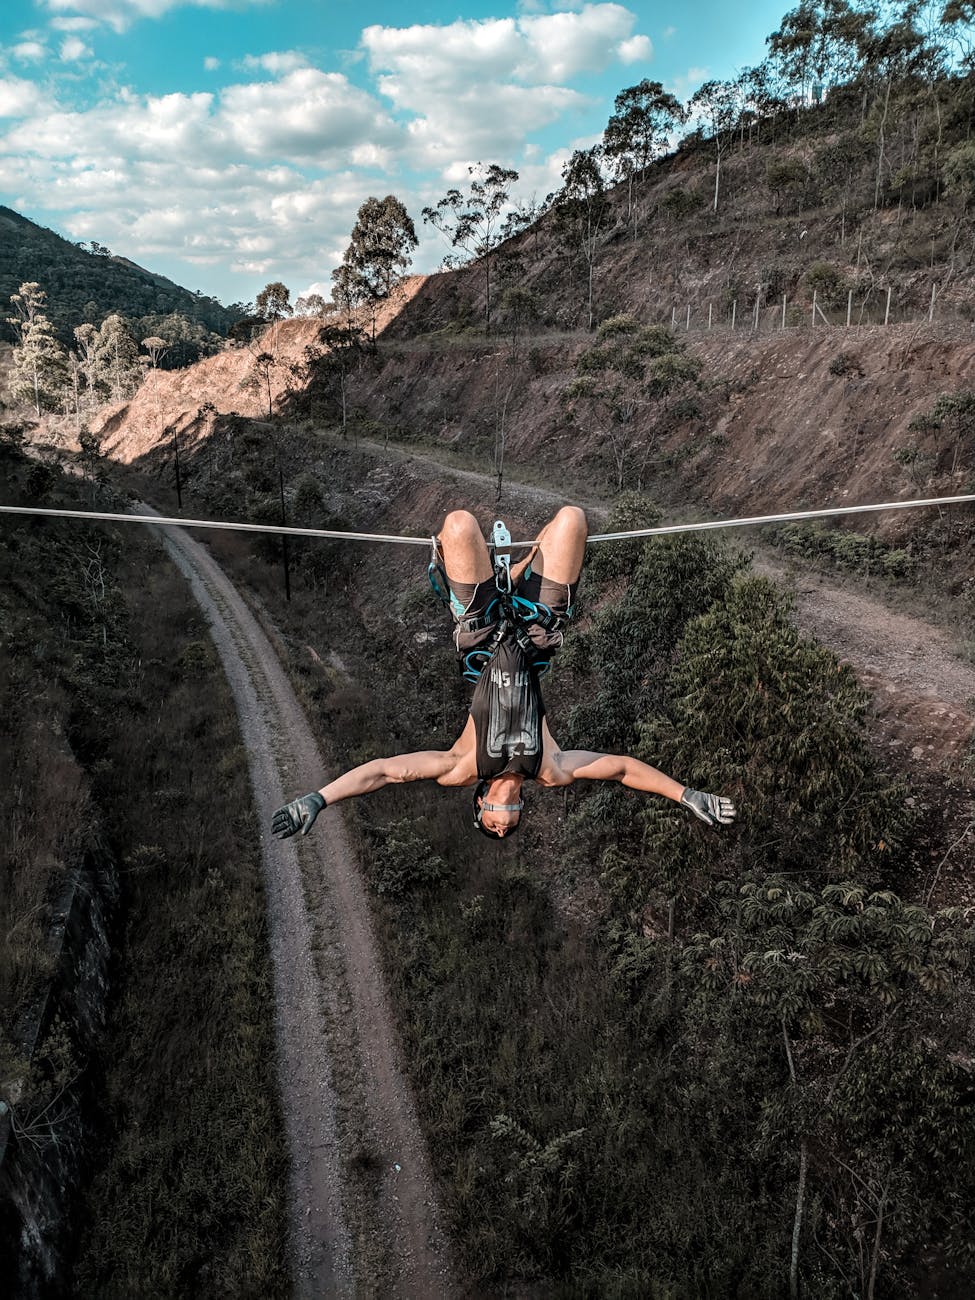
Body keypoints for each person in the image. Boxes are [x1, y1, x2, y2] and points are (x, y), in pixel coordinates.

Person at [271, 506, 736, 841]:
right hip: (536, 631)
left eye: (492, 821)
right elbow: (621, 768)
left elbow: (385, 773)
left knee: (459, 525)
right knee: (573, 519)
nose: (504, 819)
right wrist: (686, 795)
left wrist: (318, 799)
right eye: (508, 824)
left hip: (482, 632)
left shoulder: (462, 766)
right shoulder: (550, 769)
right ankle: (516, 573)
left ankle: (483, 578)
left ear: (479, 801)